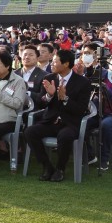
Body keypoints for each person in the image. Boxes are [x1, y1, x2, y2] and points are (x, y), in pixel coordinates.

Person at [25, 49, 93, 182]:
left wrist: (65, 98)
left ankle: (60, 169)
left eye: (55, 61)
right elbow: (41, 103)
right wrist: (49, 95)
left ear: (66, 64)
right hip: (50, 121)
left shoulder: (83, 82)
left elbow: (81, 109)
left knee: (65, 136)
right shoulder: (49, 78)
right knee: (30, 132)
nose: (52, 64)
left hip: (70, 122)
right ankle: (47, 166)